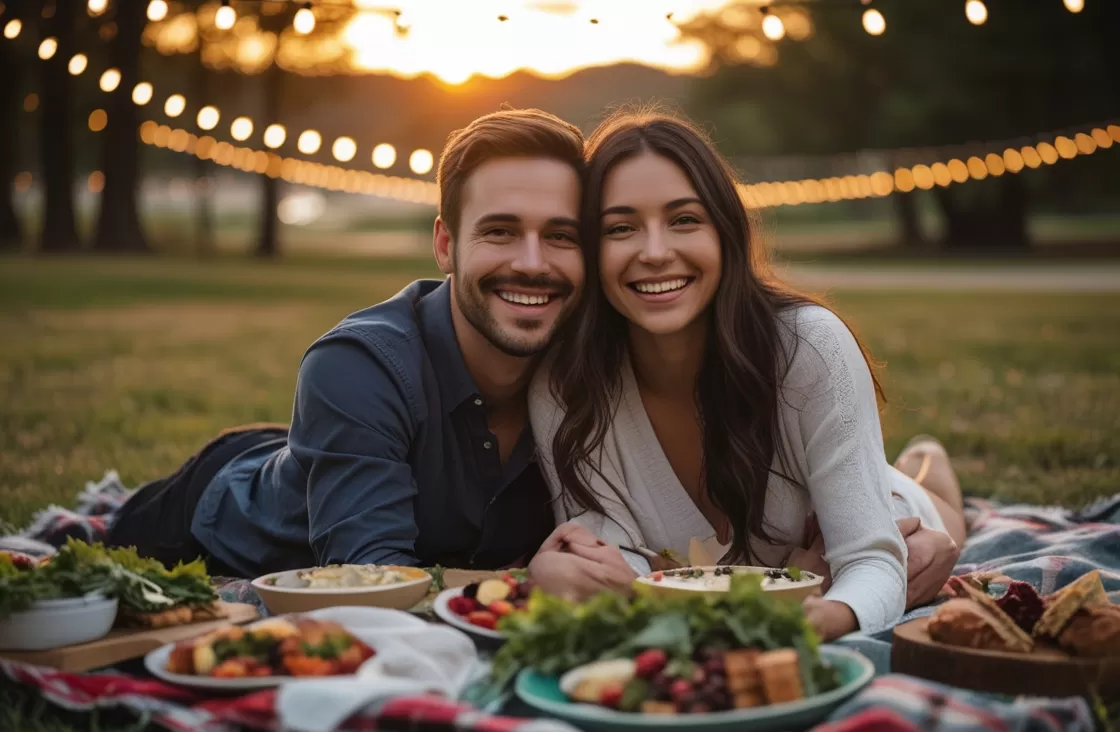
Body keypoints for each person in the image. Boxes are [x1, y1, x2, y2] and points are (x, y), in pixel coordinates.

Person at [528, 110, 965, 640]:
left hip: (893, 516)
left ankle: (930, 468)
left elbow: (872, 562)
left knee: (939, 521)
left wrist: (826, 617)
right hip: (804, 542)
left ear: (725, 231)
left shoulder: (810, 346)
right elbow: (613, 566)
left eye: (684, 219)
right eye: (620, 228)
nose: (655, 252)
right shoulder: (564, 387)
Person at [107, 109, 586, 578]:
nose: (531, 263)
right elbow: (373, 580)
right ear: (445, 245)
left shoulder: (594, 370)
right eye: (500, 231)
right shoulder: (357, 366)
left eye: (561, 235)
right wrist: (527, 584)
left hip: (342, 448)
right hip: (211, 527)